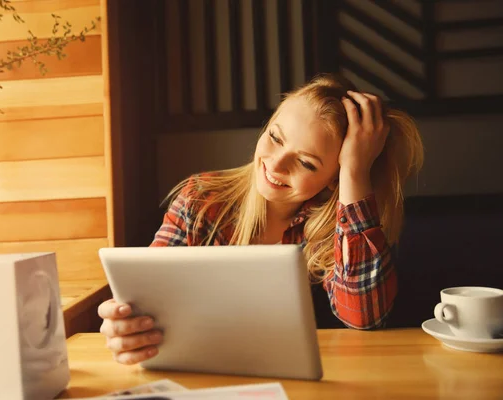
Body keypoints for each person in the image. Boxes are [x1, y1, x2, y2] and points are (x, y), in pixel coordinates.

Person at [98, 73, 424, 365]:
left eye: (307, 163)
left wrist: (355, 170)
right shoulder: (202, 200)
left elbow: (365, 317)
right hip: (205, 374)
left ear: (332, 179)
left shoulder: (332, 226)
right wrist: (127, 323)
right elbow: (149, 295)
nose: (276, 165)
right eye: (275, 137)